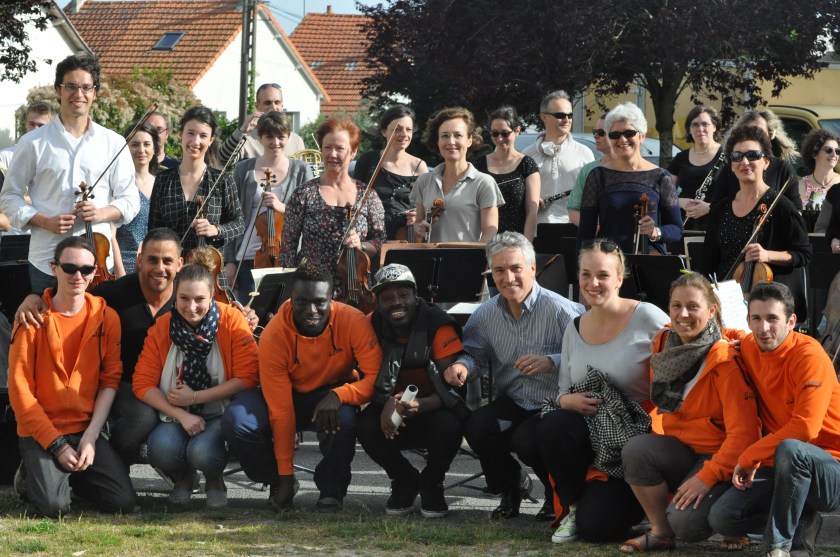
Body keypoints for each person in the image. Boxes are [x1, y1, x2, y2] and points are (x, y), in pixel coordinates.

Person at [14, 228, 259, 468]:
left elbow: (218, 312)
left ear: (180, 264)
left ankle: (125, 467)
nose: (159, 268)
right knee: (142, 416)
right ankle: (111, 463)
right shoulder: (114, 293)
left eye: (167, 261)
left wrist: (246, 317)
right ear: (140, 260)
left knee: (157, 424)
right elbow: (71, 290)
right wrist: (33, 297)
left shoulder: (187, 297)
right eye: (152, 260)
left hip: (171, 388)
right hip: (122, 385)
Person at [443, 232, 584, 521]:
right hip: (515, 399)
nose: (508, 278)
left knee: (525, 440)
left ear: (533, 268)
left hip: (555, 402)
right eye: (499, 270)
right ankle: (511, 485)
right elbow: (474, 354)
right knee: (476, 425)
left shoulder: (562, 310)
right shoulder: (484, 315)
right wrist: (463, 367)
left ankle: (553, 492)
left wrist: (551, 361)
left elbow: (587, 357)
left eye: (516, 268)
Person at [536, 239, 669, 544]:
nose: (593, 283)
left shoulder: (648, 316)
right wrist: (563, 400)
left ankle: (632, 506)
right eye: (585, 274)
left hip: (633, 445)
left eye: (603, 275)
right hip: (591, 440)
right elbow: (563, 389)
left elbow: (687, 345)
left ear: (620, 279)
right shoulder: (574, 326)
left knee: (597, 529)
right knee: (549, 426)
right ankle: (573, 506)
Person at [222, 261, 383, 512]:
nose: (311, 310)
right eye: (301, 302)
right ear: (291, 297)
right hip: (282, 394)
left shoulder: (354, 321)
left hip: (328, 393)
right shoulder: (274, 335)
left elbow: (375, 380)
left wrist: (340, 394)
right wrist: (284, 475)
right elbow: (282, 413)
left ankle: (332, 491)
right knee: (238, 420)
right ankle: (277, 481)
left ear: (332, 298)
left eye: (319, 302)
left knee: (345, 418)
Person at [618, 273, 760, 553]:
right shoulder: (663, 343)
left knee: (688, 526)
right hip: (682, 449)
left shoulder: (727, 361)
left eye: (693, 306)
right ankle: (660, 532)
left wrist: (706, 477)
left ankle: (734, 521)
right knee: (636, 449)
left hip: (720, 457)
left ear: (711, 311)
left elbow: (744, 436)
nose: (683, 314)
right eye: (676, 306)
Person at [709, 281, 840, 557]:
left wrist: (749, 456)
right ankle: (802, 522)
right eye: (756, 319)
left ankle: (778, 547)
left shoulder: (809, 355)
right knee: (723, 518)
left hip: (829, 468)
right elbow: (725, 334)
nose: (764, 328)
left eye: (772, 319)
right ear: (748, 320)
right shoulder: (748, 344)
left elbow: (805, 428)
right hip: (780, 464)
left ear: (791, 321)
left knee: (792, 449)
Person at [8, 236, 135, 517]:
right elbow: (19, 391)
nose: (78, 276)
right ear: (54, 268)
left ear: (94, 272)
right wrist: (55, 445)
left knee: (122, 503)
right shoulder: (31, 318)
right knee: (55, 509)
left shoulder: (107, 317)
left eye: (86, 270)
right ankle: (31, 476)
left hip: (84, 430)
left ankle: (68, 476)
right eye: (69, 268)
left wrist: (91, 436)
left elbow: (110, 380)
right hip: (41, 431)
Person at [0, 54, 139, 295]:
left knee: (98, 331)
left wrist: (100, 213)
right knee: (48, 329)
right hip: (47, 260)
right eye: (71, 87)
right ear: (59, 90)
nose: (79, 94)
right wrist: (44, 221)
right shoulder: (33, 142)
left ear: (94, 93)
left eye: (86, 87)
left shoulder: (114, 143)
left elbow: (130, 200)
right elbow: (9, 197)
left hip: (96, 263)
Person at [132, 260, 259, 508]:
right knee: (161, 448)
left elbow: (248, 377)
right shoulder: (162, 326)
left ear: (212, 295)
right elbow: (142, 384)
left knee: (202, 451)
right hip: (178, 413)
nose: (191, 307)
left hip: (220, 410)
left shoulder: (232, 320)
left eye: (199, 299)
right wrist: (181, 413)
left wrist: (194, 398)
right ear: (174, 297)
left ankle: (214, 478)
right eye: (184, 298)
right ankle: (185, 476)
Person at [356, 263, 466, 518]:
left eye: (403, 295)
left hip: (433, 409)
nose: (396, 303)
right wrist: (385, 403)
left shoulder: (439, 325)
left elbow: (452, 391)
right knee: (364, 425)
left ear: (416, 297)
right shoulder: (368, 325)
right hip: (390, 411)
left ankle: (432, 482)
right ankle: (403, 478)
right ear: (377, 302)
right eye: (387, 298)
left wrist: (420, 405)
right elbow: (363, 376)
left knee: (450, 425)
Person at [279, 118, 385, 298]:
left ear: (353, 152)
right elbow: (288, 245)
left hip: (354, 286)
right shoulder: (304, 193)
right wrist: (291, 288)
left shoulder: (368, 195)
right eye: (327, 147)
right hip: (312, 289)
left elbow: (380, 241)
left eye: (339, 148)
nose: (332, 154)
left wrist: (362, 245)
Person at [700, 125, 811, 284]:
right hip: (728, 297)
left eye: (752, 155)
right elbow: (708, 263)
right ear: (731, 165)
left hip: (767, 296)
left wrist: (767, 255)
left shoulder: (781, 206)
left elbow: (804, 253)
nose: (744, 162)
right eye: (737, 156)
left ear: (766, 162)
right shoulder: (721, 209)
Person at [224, 111, 313, 302]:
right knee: (248, 315)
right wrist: (229, 261)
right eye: (269, 136)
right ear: (260, 137)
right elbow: (231, 217)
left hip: (287, 257)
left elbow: (312, 215)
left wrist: (282, 207)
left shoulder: (301, 170)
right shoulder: (243, 169)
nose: (275, 142)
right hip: (247, 257)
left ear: (289, 137)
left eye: (281, 136)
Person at [577, 102, 682, 255]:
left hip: (650, 260)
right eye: (615, 135)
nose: (622, 139)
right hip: (609, 261)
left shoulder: (660, 176)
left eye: (629, 133)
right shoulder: (598, 176)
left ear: (642, 136)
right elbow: (585, 233)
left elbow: (676, 229)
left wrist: (656, 232)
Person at [148, 106, 244, 255]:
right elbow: (153, 229)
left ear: (211, 139)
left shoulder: (222, 180)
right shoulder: (163, 180)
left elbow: (239, 224)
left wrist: (216, 229)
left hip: (210, 270)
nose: (195, 141)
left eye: (203, 136)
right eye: (190, 133)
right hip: (171, 270)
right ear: (181, 134)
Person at [412, 107, 503, 243]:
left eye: (458, 135)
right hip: (431, 259)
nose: (451, 142)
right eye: (445, 136)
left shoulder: (483, 182)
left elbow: (490, 230)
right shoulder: (424, 181)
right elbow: (417, 222)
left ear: (469, 140)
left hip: (466, 260)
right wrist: (419, 228)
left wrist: (474, 257)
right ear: (437, 141)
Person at [353, 105, 428, 240]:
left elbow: (426, 209)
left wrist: (419, 216)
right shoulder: (368, 161)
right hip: (371, 240)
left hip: (406, 239)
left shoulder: (419, 166)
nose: (404, 134)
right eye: (397, 129)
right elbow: (354, 200)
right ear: (384, 132)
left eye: (408, 129)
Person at [704, 109, 802, 213]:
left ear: (771, 135)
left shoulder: (783, 168)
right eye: (749, 132)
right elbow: (716, 207)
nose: (753, 136)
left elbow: (796, 210)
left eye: (759, 132)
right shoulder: (731, 168)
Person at [521, 90, 594, 225]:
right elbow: (519, 193)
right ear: (544, 117)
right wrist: (530, 199)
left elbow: (592, 197)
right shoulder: (527, 155)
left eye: (570, 115)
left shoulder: (585, 153)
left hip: (573, 228)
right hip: (537, 229)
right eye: (560, 115)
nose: (566, 120)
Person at [473, 106, 540, 240]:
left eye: (505, 133)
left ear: (517, 131)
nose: (499, 139)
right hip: (486, 242)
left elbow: (531, 212)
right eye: (494, 133)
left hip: (516, 241)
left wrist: (527, 246)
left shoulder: (527, 164)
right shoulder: (479, 164)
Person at [113, 122, 160, 276]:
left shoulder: (162, 184)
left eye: (147, 144)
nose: (141, 150)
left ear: (154, 148)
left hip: (157, 267)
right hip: (125, 265)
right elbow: (111, 235)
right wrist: (120, 274)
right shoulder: (119, 185)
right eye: (134, 145)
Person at [218, 83, 305, 164]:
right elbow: (223, 159)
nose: (273, 107)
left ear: (282, 105)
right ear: (257, 106)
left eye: (277, 102)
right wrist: (241, 131)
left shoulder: (296, 140)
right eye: (267, 103)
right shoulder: (247, 139)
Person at [670, 106, 725, 231]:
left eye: (705, 124)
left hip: (716, 224)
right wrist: (680, 202)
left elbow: (736, 196)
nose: (700, 129)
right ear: (689, 129)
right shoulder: (680, 158)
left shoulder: (727, 156)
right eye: (695, 125)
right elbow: (665, 194)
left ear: (714, 127)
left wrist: (709, 207)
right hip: (683, 223)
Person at [568, 114, 615, 226]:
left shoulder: (634, 170)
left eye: (601, 132)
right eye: (594, 131)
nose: (595, 136)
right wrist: (592, 226)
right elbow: (573, 208)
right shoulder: (589, 169)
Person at [800, 130, 840, 238]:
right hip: (808, 247)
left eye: (837, 151)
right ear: (814, 153)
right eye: (828, 150)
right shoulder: (801, 185)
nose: (834, 154)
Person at [0, 101, 54, 174]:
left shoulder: (56, 158)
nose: (35, 129)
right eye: (31, 124)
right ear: (25, 124)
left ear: (51, 128)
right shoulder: (5, 157)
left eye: (41, 126)